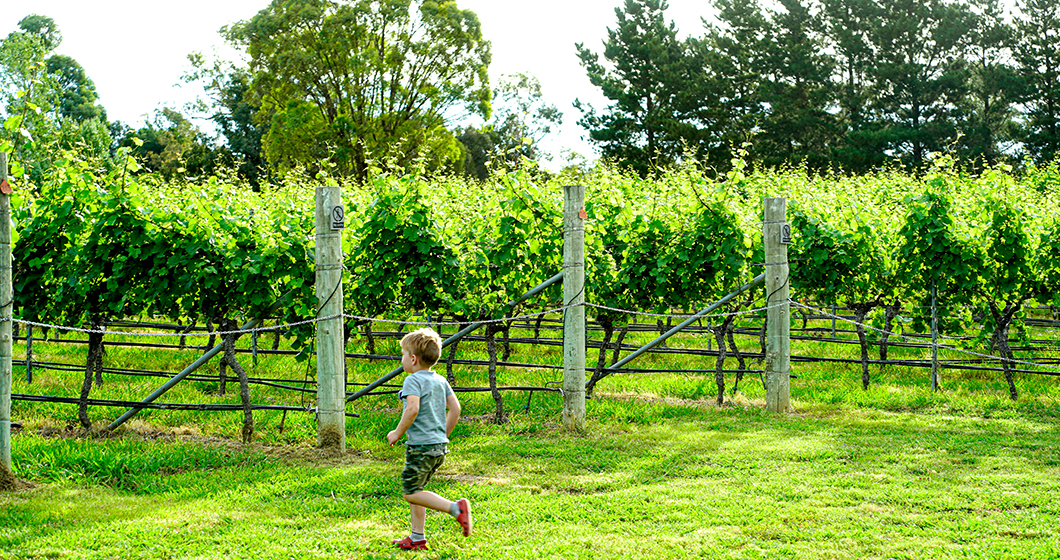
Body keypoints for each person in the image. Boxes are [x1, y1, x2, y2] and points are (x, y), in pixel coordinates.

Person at [386, 327, 472, 551]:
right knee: (419, 490)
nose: (402, 359)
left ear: (413, 358)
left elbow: (412, 409)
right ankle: (417, 538)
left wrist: (397, 433)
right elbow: (455, 408)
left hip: (420, 446)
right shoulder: (440, 380)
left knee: (410, 492)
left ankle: (456, 509)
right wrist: (443, 435)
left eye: (403, 354)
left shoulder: (412, 381)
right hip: (438, 446)